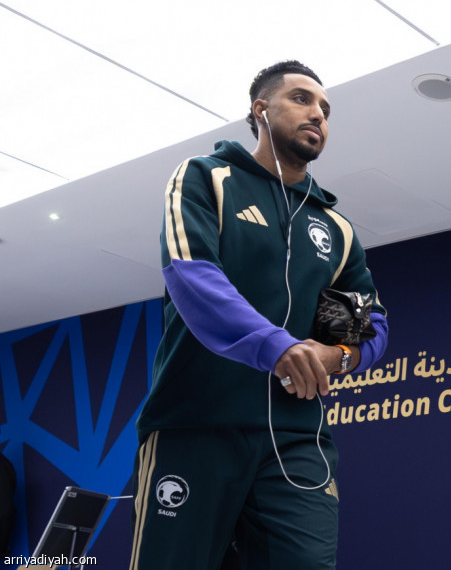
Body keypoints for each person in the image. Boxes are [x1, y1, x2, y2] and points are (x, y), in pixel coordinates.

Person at [129, 60, 388, 570]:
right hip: (196, 425)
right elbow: (191, 275)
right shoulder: (207, 177)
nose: (318, 114)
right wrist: (277, 347)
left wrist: (337, 356)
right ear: (261, 110)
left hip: (295, 439)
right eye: (302, 99)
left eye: (326, 109)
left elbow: (368, 324)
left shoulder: (334, 227)